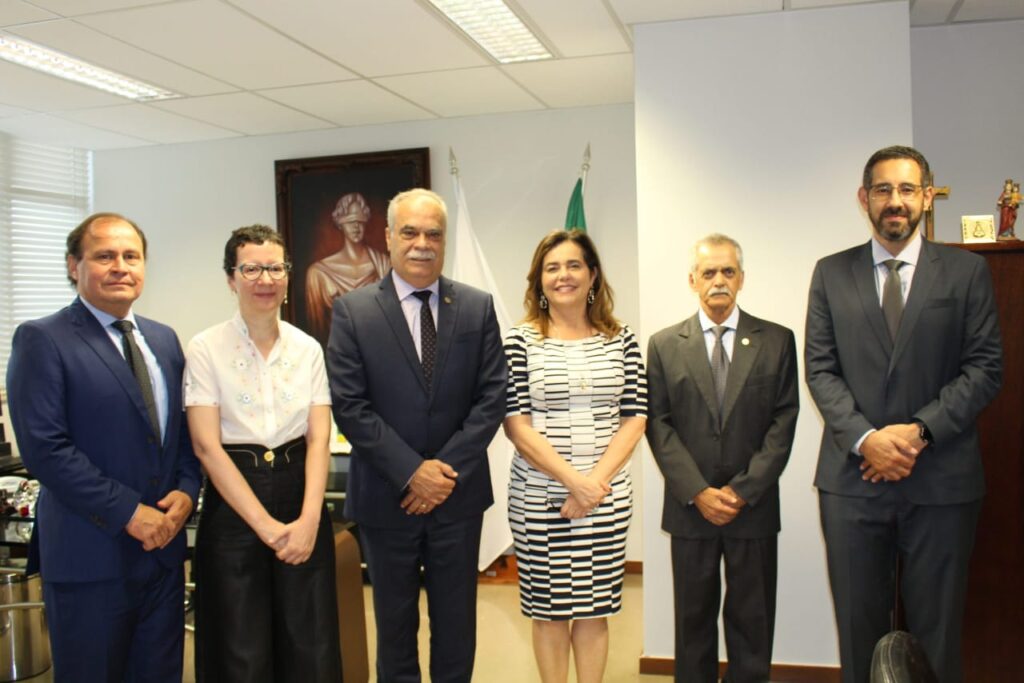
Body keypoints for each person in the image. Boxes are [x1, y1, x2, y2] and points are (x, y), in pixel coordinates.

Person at [805, 145, 1003, 683]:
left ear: (926, 197)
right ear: (863, 198)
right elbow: (820, 371)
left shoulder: (966, 272)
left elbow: (985, 368)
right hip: (852, 482)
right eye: (884, 189)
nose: (896, 201)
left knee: (937, 634)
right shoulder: (830, 273)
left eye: (908, 189)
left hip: (942, 483)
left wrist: (917, 434)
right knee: (858, 629)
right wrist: (867, 439)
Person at [5, 212, 201, 682]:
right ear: (74, 266)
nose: (120, 266)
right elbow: (47, 451)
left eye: (131, 256)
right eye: (104, 256)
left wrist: (187, 490)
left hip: (163, 555)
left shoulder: (163, 339)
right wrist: (132, 513)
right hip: (90, 557)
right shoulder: (42, 339)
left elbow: (181, 433)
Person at [327, 188, 506, 682]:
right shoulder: (353, 311)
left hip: (458, 495)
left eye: (433, 233)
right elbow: (350, 405)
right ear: (388, 237)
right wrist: (411, 473)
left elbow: (492, 398)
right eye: (410, 232)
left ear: (444, 241)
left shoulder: (476, 307)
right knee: (394, 625)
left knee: (456, 627)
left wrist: (440, 474)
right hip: (387, 498)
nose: (422, 243)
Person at [184, 225, 342, 682]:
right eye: (251, 268)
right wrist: (268, 529)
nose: (264, 279)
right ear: (231, 279)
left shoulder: (307, 347)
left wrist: (310, 518)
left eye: (275, 268)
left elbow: (319, 436)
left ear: (288, 276)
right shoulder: (205, 348)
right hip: (235, 504)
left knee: (310, 644)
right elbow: (206, 447)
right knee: (240, 651)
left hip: (301, 497)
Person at [645, 233, 798, 683]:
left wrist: (742, 491)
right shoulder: (664, 344)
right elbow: (659, 424)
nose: (718, 281)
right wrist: (697, 491)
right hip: (691, 507)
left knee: (753, 621)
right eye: (708, 272)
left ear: (742, 279)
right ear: (692, 280)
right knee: (692, 623)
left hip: (752, 506)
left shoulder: (776, 340)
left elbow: (783, 422)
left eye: (727, 271)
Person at [503, 229, 647, 683]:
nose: (563, 275)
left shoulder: (620, 337)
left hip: (605, 499)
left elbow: (636, 416)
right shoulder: (520, 340)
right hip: (540, 500)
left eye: (573, 266)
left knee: (593, 609)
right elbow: (516, 425)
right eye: (552, 267)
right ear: (538, 280)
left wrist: (593, 485)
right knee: (549, 613)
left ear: (593, 276)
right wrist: (574, 482)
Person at [306, 192, 390, 341]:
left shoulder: (384, 264)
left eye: (360, 221)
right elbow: (316, 330)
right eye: (350, 221)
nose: (356, 227)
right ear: (340, 224)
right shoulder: (318, 273)